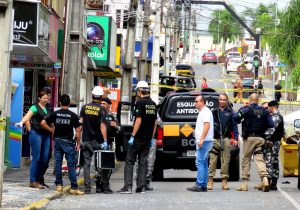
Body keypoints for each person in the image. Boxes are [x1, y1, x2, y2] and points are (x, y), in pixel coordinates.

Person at [118, 81, 157, 194]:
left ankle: (128, 187)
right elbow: (155, 123)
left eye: (137, 91)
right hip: (147, 139)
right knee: (143, 162)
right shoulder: (153, 104)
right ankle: (141, 187)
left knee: (130, 161)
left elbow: (138, 121)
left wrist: (133, 136)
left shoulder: (140, 103)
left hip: (138, 138)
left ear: (140, 91)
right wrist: (151, 137)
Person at [41, 94, 84, 195]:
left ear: (60, 103)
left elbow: (43, 123)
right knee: (71, 165)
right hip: (68, 142)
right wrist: (78, 143)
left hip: (57, 141)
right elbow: (78, 131)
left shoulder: (55, 114)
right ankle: (74, 187)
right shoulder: (73, 115)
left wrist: (52, 130)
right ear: (69, 103)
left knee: (58, 164)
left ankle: (59, 185)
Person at [234, 93, 274, 192]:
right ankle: (264, 179)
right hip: (260, 138)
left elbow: (236, 118)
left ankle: (244, 184)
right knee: (259, 158)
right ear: (258, 100)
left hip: (249, 138)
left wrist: (241, 108)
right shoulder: (264, 111)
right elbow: (271, 124)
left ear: (249, 99)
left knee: (246, 159)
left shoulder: (246, 110)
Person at [15, 90, 52, 189]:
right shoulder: (34, 107)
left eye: (47, 98)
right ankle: (33, 180)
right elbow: (27, 117)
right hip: (36, 134)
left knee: (45, 159)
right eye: (44, 98)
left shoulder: (49, 107)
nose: (46, 99)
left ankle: (39, 179)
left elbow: (52, 120)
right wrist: (21, 123)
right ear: (39, 98)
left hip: (47, 134)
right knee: (36, 157)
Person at [80, 86, 109, 194]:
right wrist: (105, 140)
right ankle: (101, 186)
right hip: (98, 141)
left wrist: (78, 139)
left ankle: (87, 188)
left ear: (92, 95)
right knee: (101, 164)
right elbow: (102, 125)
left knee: (86, 165)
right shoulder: (102, 109)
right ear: (101, 96)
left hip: (86, 139)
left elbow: (80, 123)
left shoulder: (84, 107)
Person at [208, 93, 238, 190]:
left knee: (225, 160)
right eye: (220, 99)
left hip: (226, 139)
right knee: (213, 160)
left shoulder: (231, 112)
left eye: (224, 99)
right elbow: (209, 126)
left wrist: (235, 139)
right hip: (215, 139)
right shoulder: (214, 112)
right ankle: (210, 180)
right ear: (218, 100)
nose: (222, 101)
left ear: (227, 101)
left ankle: (224, 181)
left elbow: (234, 126)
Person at [187, 94, 214, 192]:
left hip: (205, 141)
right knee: (204, 163)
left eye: (196, 101)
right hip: (206, 140)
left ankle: (199, 184)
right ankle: (203, 185)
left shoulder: (205, 112)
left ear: (202, 102)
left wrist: (201, 139)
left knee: (200, 162)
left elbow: (207, 125)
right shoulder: (204, 112)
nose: (194, 103)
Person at [98, 97, 121, 193]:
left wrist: (115, 126)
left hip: (110, 143)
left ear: (108, 105)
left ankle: (106, 184)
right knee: (99, 165)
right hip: (100, 142)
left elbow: (119, 130)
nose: (102, 105)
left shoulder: (113, 116)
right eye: (101, 103)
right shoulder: (98, 114)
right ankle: (99, 185)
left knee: (109, 165)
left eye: (104, 104)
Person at [263, 100, 285, 190]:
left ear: (272, 107)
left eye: (268, 107)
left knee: (270, 161)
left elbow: (271, 131)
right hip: (275, 141)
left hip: (272, 142)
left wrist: (263, 135)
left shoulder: (276, 117)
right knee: (275, 161)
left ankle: (268, 181)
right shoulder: (278, 116)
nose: (268, 109)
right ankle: (274, 183)